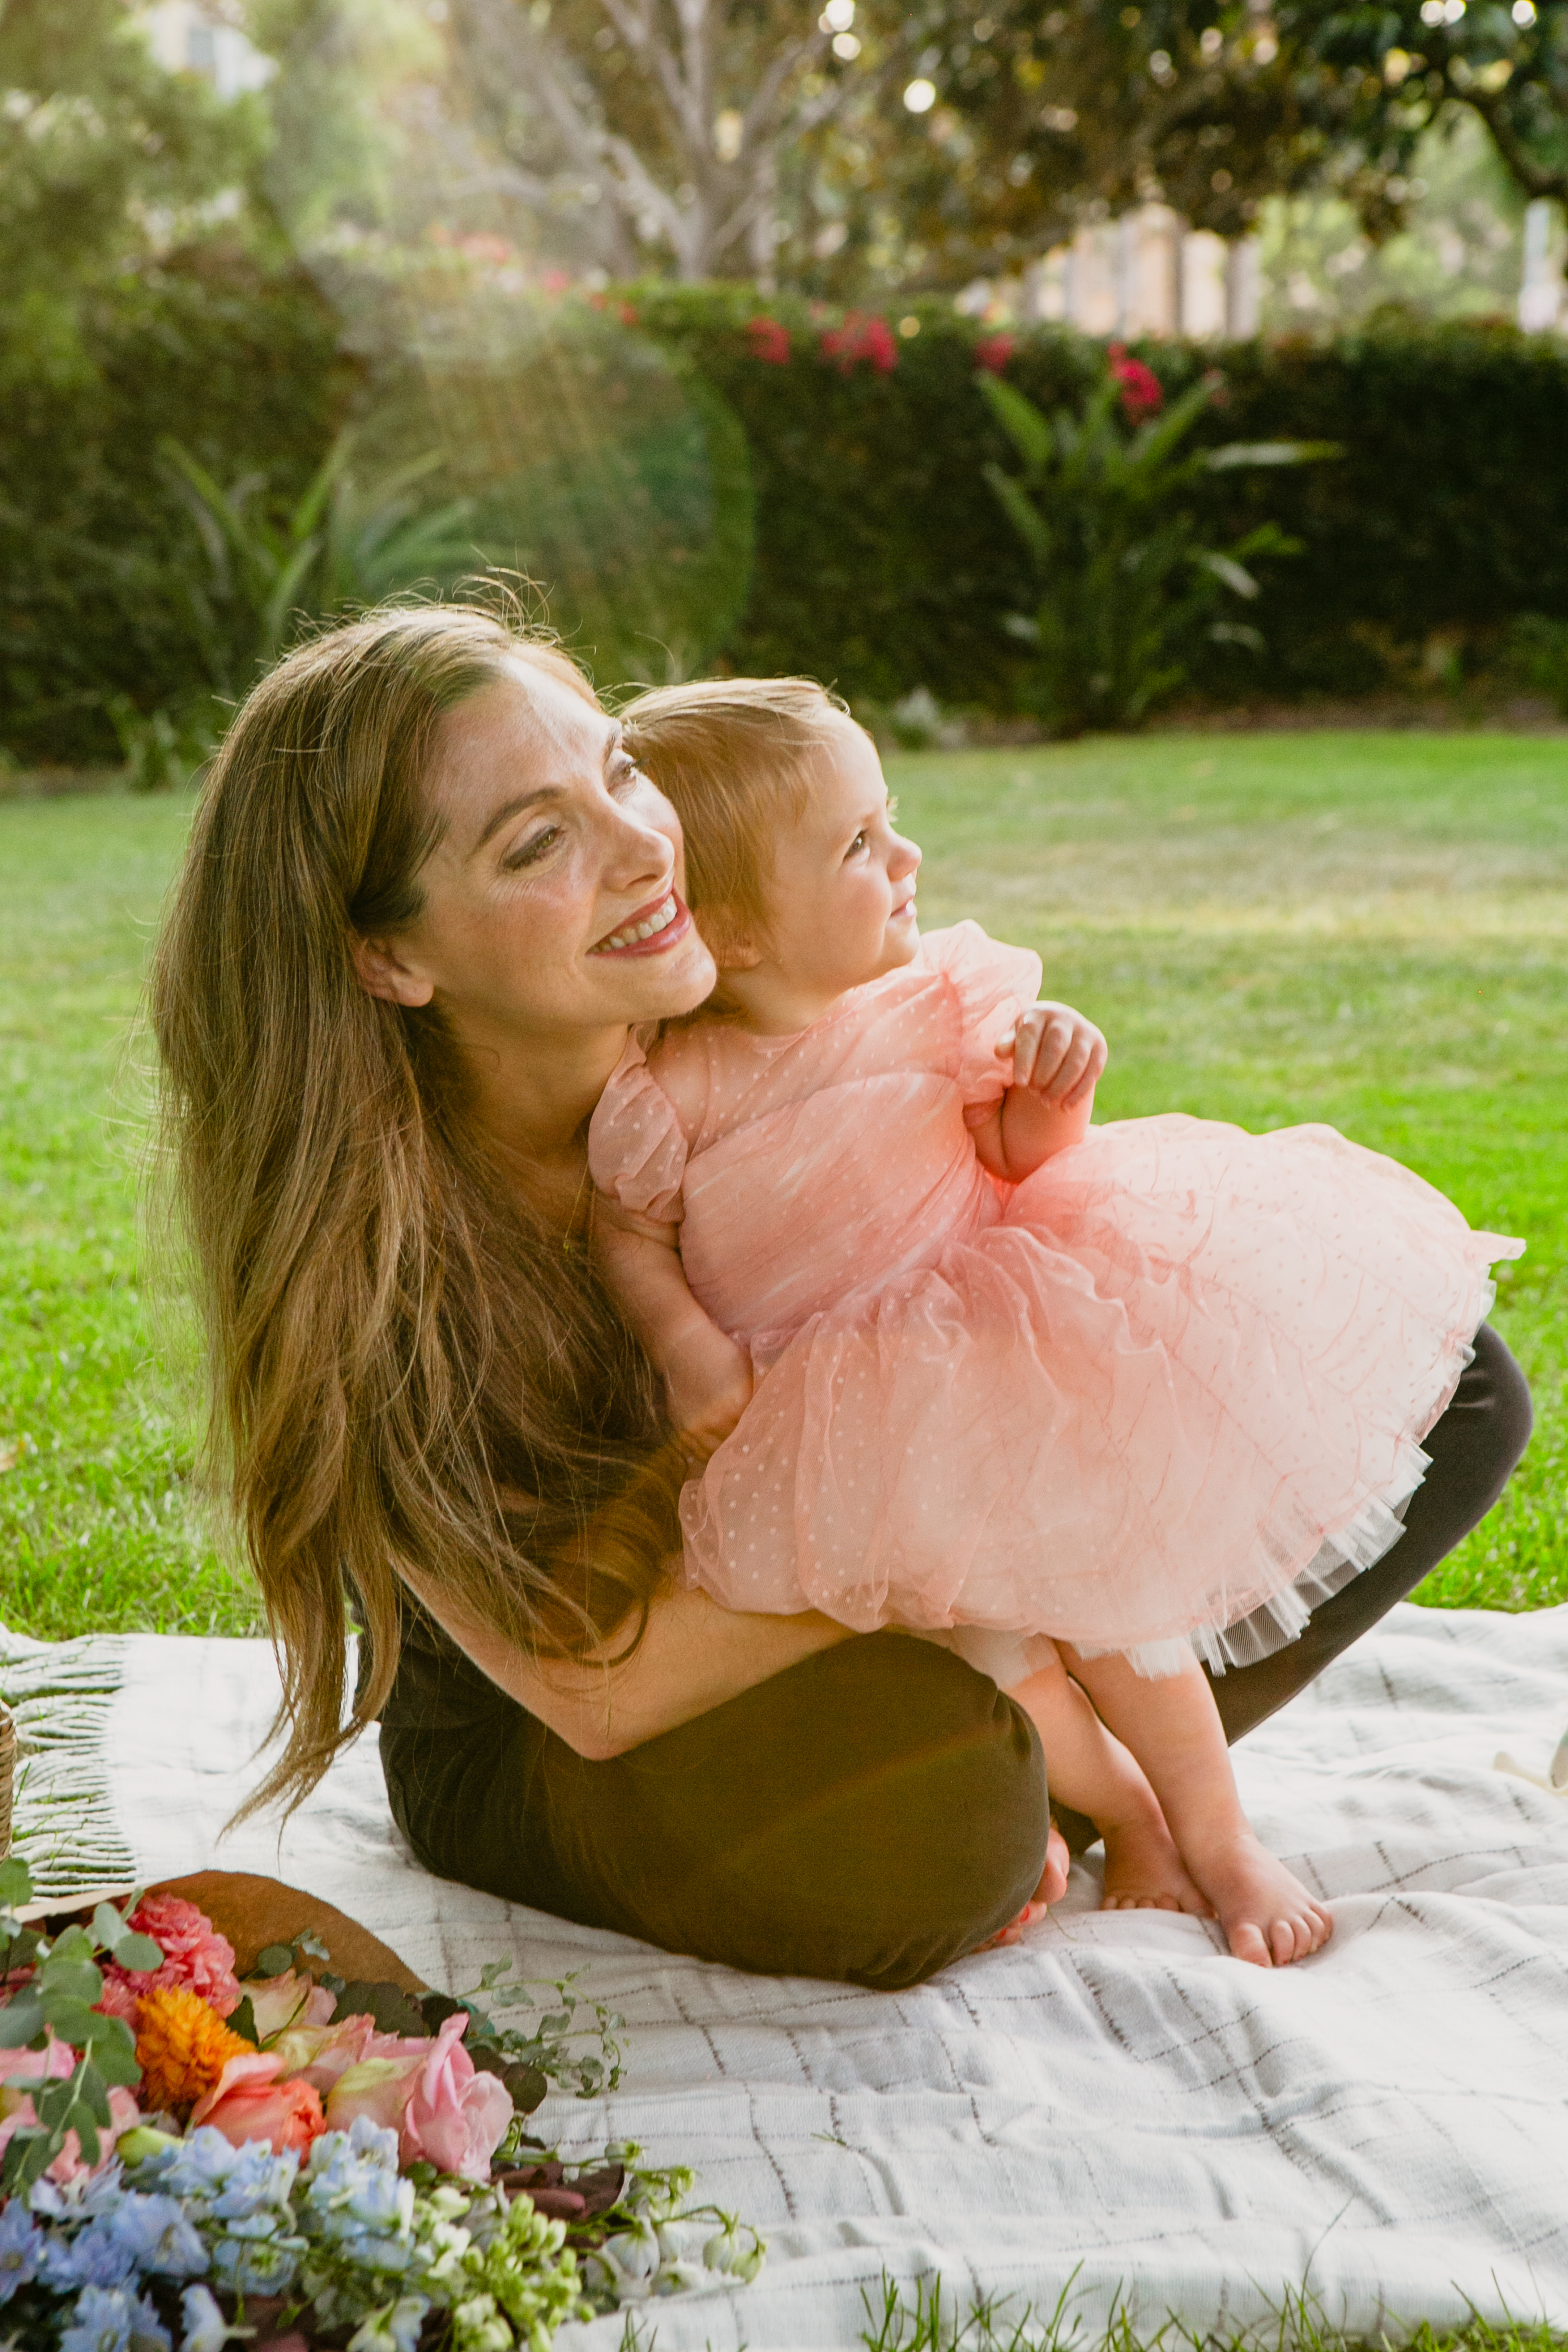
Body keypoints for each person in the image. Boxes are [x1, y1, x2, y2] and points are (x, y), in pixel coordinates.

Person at [149, 603, 1533, 1992]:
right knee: (949, 1817)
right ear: (391, 958)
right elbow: (597, 1685)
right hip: (587, 1722)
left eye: (622, 767)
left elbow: (966, 1219)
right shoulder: (380, 1250)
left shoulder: (750, 1012)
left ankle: (1073, 1764)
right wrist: (954, 1492)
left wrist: (1080, 1417)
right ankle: (1036, 1779)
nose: (644, 844)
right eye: (537, 841)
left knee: (1440, 1390)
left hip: (906, 1581)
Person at [588, 676, 1526, 1966]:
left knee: (1124, 1626)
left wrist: (1052, 1098)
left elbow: (1016, 1162)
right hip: (853, 1434)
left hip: (1002, 1371)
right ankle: (1125, 1820)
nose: (908, 856)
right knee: (998, 1666)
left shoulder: (930, 1010)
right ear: (735, 932)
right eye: (860, 845)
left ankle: (1221, 1838)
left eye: (892, 818)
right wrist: (680, 1335)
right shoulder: (670, 1091)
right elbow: (624, 1233)